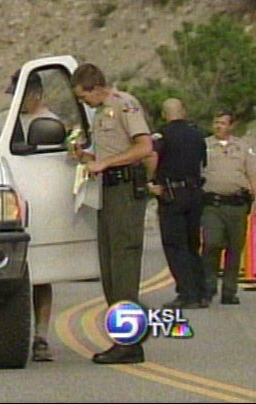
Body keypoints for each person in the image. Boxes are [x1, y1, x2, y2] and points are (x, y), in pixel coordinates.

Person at [71, 63, 153, 365]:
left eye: (84, 96)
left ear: (94, 87)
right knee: (108, 269)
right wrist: (87, 156)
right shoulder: (100, 113)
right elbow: (105, 151)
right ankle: (124, 336)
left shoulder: (124, 105)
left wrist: (107, 164)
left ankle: (129, 342)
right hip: (106, 191)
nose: (84, 103)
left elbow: (144, 146)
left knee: (123, 268)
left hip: (125, 190)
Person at [0, 69, 59, 362]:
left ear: (35, 94)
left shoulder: (50, 124)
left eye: (20, 95)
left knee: (41, 274)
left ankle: (41, 336)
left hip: (41, 206)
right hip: (7, 206)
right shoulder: (3, 121)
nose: (15, 102)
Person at [146, 98, 209, 309]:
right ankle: (202, 291)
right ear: (184, 111)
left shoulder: (161, 135)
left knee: (175, 244)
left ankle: (187, 293)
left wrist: (149, 180)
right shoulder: (197, 134)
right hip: (194, 192)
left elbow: (152, 156)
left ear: (164, 114)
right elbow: (203, 162)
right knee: (193, 243)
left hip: (172, 194)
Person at [201, 110, 256, 305]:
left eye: (223, 123)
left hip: (237, 204)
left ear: (231, 126)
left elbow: (252, 174)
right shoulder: (204, 146)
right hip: (212, 204)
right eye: (216, 122)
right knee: (212, 243)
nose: (218, 126)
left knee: (234, 248)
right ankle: (208, 288)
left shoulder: (242, 147)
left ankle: (229, 291)